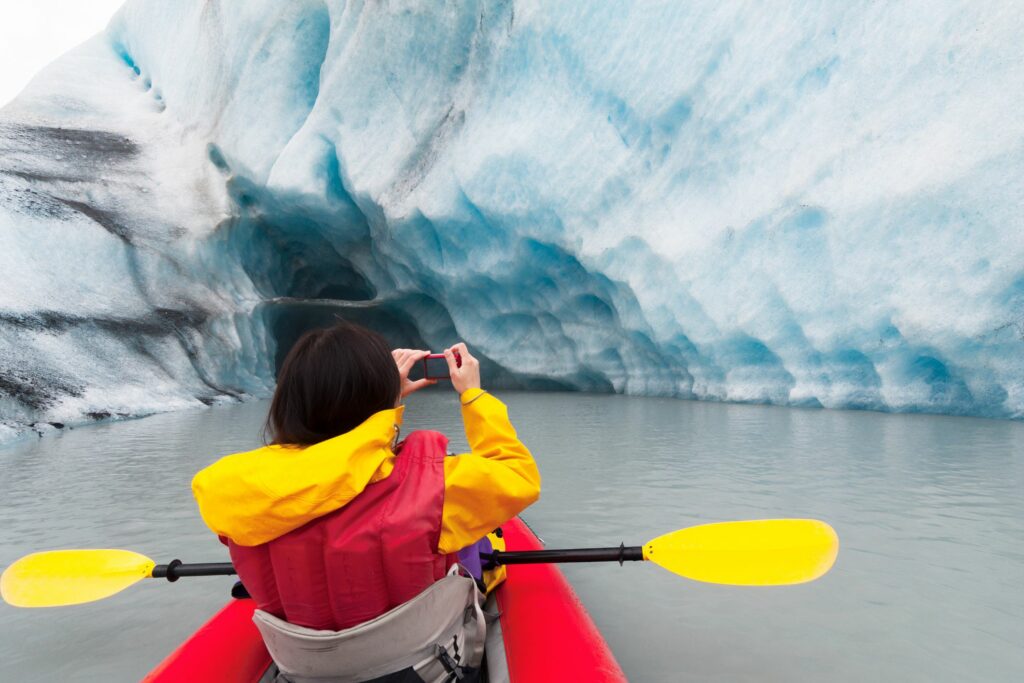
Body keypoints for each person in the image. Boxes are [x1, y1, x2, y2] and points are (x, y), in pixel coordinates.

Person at [191, 322, 540, 681]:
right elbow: (518, 475)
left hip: (304, 674)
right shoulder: (435, 487)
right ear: (380, 400)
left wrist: (382, 404)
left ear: (288, 400)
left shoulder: (235, 491)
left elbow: (328, 467)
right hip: (427, 671)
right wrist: (473, 396)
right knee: (472, 546)